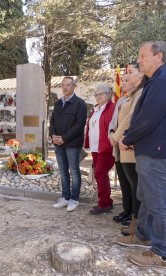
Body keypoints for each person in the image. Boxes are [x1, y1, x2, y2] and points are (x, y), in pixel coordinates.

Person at [116, 41, 166, 267]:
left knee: (157, 201)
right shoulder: (154, 81)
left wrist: (128, 138)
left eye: (143, 56)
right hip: (147, 149)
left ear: (159, 56)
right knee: (146, 196)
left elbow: (148, 118)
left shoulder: (162, 81)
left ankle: (161, 252)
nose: (139, 60)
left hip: (155, 152)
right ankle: (144, 235)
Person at [110, 62, 144, 233]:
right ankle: (133, 218)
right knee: (129, 183)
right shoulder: (128, 97)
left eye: (130, 72)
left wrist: (116, 137)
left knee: (136, 186)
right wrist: (113, 133)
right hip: (123, 144)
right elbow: (117, 119)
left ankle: (137, 223)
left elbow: (131, 118)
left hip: (130, 145)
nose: (126, 78)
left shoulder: (140, 93)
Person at [49, 77, 87, 212]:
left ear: (74, 86)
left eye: (68, 85)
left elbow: (79, 125)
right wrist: (53, 136)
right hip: (58, 144)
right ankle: (65, 197)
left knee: (74, 172)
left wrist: (64, 138)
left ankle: (74, 199)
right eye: (63, 85)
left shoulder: (80, 104)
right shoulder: (58, 103)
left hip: (72, 144)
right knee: (63, 172)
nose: (65, 87)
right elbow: (52, 121)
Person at [84, 84, 115, 215]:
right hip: (96, 147)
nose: (98, 96)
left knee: (99, 173)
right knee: (101, 175)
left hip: (106, 146)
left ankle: (104, 204)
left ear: (108, 95)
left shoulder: (112, 108)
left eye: (101, 94)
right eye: (96, 94)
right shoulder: (95, 109)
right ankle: (107, 201)